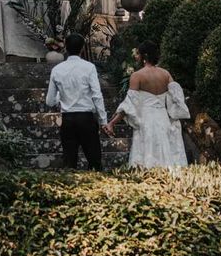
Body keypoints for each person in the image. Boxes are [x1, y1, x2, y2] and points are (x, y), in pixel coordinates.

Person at [104, 40, 189, 168]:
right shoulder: (165, 74)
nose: (136, 57)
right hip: (163, 119)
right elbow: (176, 97)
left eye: (138, 54)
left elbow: (129, 104)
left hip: (146, 120)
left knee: (146, 155)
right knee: (165, 152)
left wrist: (112, 122)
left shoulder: (137, 76)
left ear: (145, 56)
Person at [45, 32, 110, 171]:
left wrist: (60, 97)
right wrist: (103, 120)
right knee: (94, 161)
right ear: (82, 49)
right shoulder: (89, 67)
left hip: (67, 119)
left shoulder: (57, 70)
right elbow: (97, 95)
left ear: (65, 48)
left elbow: (50, 101)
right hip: (86, 118)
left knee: (69, 164)